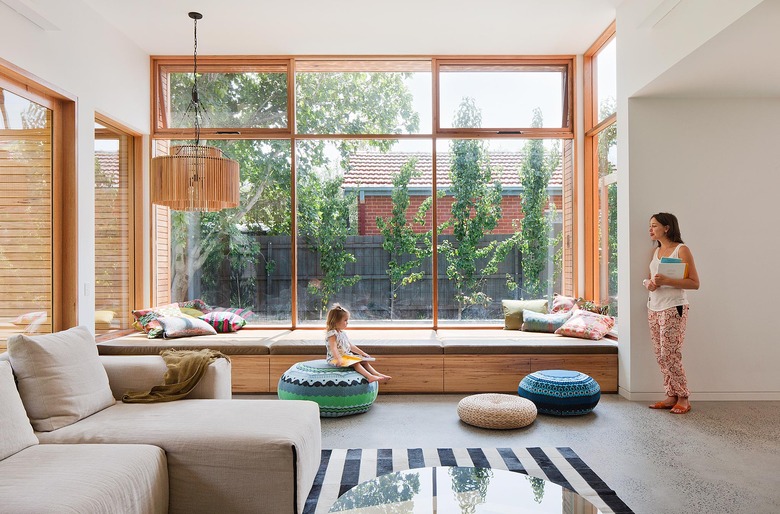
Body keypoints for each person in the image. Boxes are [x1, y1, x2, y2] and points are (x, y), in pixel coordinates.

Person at [643, 212, 700, 414]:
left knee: (670, 354)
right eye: (650, 226)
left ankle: (683, 397)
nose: (651, 229)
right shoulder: (656, 252)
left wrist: (666, 281)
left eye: (654, 226)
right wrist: (651, 284)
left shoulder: (681, 250)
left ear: (667, 227)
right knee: (660, 355)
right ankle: (671, 395)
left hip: (674, 307)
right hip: (654, 307)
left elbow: (694, 283)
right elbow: (654, 281)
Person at [325, 304, 391, 383]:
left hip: (346, 356)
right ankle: (369, 377)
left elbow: (351, 346)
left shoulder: (342, 333)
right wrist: (338, 359)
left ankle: (377, 374)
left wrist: (363, 353)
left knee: (364, 362)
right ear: (336, 321)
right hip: (334, 359)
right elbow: (334, 348)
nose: (347, 323)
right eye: (345, 320)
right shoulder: (332, 334)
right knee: (356, 364)